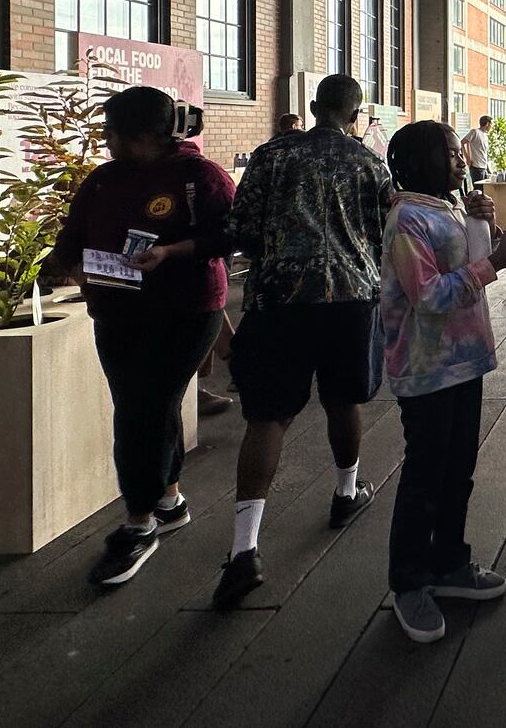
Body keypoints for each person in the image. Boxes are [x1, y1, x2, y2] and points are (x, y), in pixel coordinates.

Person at [207, 75, 393, 608]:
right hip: (351, 299)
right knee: (343, 400)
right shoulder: (369, 164)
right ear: (356, 115)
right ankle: (345, 492)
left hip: (279, 300)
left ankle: (244, 548)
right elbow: (385, 231)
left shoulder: (271, 156)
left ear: (314, 108)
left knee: (267, 417)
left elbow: (239, 230)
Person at [47, 87, 234, 586]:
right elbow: (74, 234)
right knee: (147, 404)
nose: (108, 142)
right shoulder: (103, 180)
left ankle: (138, 522)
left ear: (150, 136)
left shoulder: (200, 177)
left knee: (140, 410)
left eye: (116, 134)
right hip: (116, 312)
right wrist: (68, 266)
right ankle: (168, 501)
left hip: (186, 312)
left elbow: (231, 235)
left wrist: (173, 252)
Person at [377, 121, 506, 642]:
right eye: (449, 151)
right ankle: (409, 582)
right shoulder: (406, 220)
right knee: (425, 474)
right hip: (426, 370)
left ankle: (449, 562)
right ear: (422, 159)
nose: (462, 158)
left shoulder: (445, 206)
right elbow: (430, 297)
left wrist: (483, 227)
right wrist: (495, 263)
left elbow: (468, 262)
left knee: (457, 469)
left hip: (464, 364)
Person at [461, 115, 493, 184]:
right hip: (476, 166)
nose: (491, 126)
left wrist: (487, 167)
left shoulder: (485, 135)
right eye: (491, 124)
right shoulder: (475, 132)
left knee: (485, 189)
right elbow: (462, 142)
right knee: (478, 189)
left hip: (484, 166)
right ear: (487, 123)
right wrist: (467, 158)